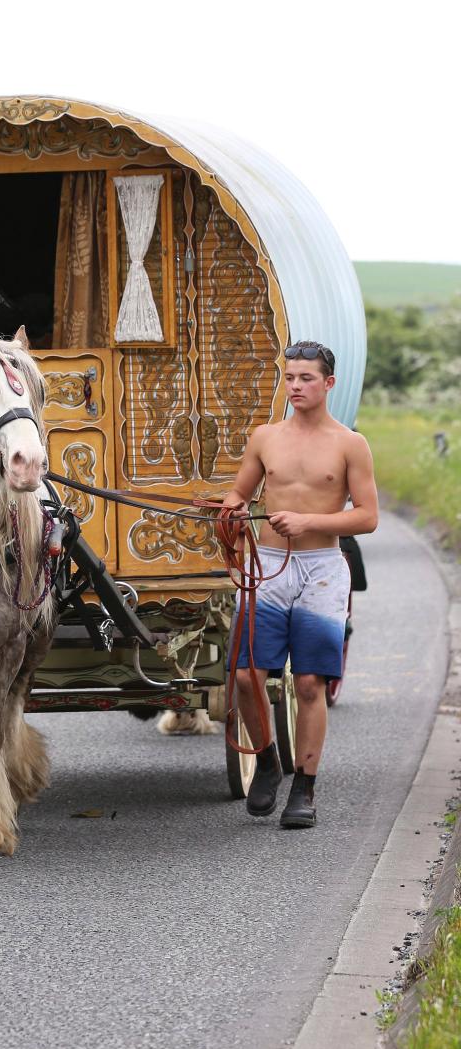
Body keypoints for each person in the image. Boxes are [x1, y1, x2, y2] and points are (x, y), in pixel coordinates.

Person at [222, 342, 379, 828]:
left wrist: (309, 518)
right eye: (290, 377)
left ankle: (304, 789)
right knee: (248, 676)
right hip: (268, 565)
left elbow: (368, 517)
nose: (295, 386)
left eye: (306, 378)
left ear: (328, 384)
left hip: (322, 569)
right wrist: (231, 514)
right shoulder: (265, 437)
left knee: (309, 682)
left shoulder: (350, 443)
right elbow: (239, 492)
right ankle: (267, 762)